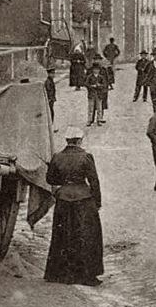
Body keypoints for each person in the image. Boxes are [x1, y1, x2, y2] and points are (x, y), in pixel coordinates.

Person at [44, 126, 103, 287]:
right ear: (78, 140)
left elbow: (51, 180)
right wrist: (97, 202)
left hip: (63, 199)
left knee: (62, 236)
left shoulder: (57, 157)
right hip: (83, 199)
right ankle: (86, 275)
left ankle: (60, 274)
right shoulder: (86, 157)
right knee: (87, 236)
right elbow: (94, 181)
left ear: (67, 141)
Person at [85, 59, 108, 126]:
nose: (96, 70)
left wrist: (99, 85)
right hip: (91, 94)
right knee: (90, 108)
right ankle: (89, 120)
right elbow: (86, 84)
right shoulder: (90, 77)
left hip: (99, 94)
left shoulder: (101, 77)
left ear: (99, 70)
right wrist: (91, 86)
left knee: (99, 108)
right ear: (92, 70)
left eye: (97, 69)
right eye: (94, 69)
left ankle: (99, 120)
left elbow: (104, 85)